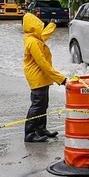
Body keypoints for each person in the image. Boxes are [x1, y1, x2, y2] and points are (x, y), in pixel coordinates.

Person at [22, 12, 66, 143]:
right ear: (33, 27)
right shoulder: (33, 42)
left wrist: (53, 23)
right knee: (37, 106)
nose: (41, 28)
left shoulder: (35, 37)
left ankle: (41, 129)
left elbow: (44, 35)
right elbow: (43, 63)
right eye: (38, 25)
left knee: (43, 105)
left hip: (42, 77)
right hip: (37, 77)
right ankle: (29, 134)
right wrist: (61, 79)